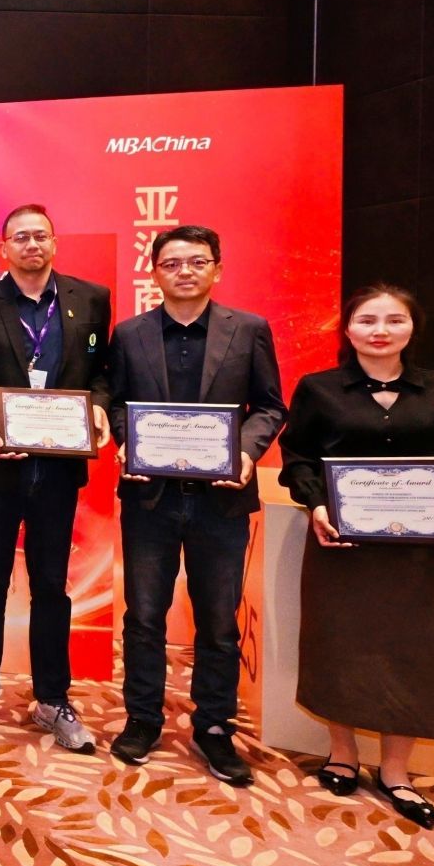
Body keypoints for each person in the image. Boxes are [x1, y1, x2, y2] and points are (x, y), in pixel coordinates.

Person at [279, 284, 434, 829]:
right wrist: (316, 505)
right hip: (342, 544)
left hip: (417, 551)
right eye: (367, 320)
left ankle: (396, 771)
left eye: (394, 320)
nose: (380, 331)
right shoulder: (319, 389)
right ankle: (342, 753)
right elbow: (298, 458)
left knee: (414, 652)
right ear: (347, 329)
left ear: (412, 328)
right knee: (338, 644)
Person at [105, 226, 286, 785]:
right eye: (172, 263)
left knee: (218, 622)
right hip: (150, 500)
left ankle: (213, 726)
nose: (184, 271)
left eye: (197, 262)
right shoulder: (129, 333)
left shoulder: (248, 329)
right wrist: (126, 441)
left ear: (217, 269)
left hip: (221, 502)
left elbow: (270, 406)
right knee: (144, 616)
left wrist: (246, 452)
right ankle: (142, 718)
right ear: (155, 273)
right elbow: (115, 404)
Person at [0, 204, 112, 753]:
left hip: (59, 470)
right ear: (3, 249)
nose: (32, 245)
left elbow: (103, 374)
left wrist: (98, 408)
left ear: (54, 243)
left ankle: (52, 698)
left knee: (51, 586)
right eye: (20, 237)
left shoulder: (92, 300)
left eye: (41, 235)